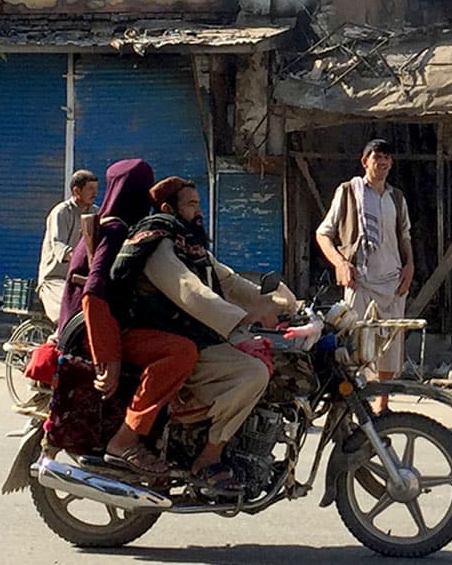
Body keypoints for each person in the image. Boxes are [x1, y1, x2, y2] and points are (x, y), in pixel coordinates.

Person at [109, 175, 296, 491]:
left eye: (199, 204)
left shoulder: (191, 246)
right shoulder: (157, 243)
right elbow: (189, 290)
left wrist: (283, 304)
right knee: (252, 373)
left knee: (261, 363)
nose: (199, 211)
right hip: (161, 338)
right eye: (191, 205)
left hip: (194, 336)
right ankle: (208, 457)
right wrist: (239, 319)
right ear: (169, 209)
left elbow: (231, 283)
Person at [71, 159, 199, 476]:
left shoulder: (113, 226)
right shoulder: (115, 230)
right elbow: (93, 294)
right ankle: (125, 440)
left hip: (104, 327)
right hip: (97, 333)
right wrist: (109, 359)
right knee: (181, 352)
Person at [315, 139, 412, 408]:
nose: (382, 162)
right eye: (377, 157)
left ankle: (382, 406)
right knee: (355, 345)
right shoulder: (348, 192)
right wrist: (341, 263)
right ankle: (352, 404)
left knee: (390, 345)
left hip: (392, 281)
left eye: (386, 158)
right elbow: (323, 234)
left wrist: (410, 266)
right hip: (360, 280)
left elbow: (405, 236)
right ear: (365, 162)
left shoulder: (396, 197)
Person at [38, 168, 99, 324]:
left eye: (96, 189)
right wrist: (78, 258)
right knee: (68, 313)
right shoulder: (61, 212)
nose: (95, 193)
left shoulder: (96, 213)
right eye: (90, 189)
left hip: (80, 278)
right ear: (76, 191)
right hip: (55, 279)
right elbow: (58, 245)